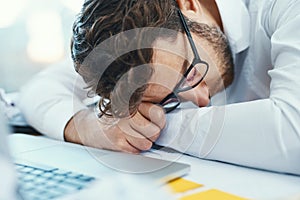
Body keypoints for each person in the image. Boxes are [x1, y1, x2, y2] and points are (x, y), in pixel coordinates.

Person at [19, 0, 300, 175]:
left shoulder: (285, 7)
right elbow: (39, 87)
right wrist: (89, 128)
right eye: (168, 98)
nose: (201, 100)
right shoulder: (128, 47)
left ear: (188, 4)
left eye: (188, 73)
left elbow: (293, 132)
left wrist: (158, 127)